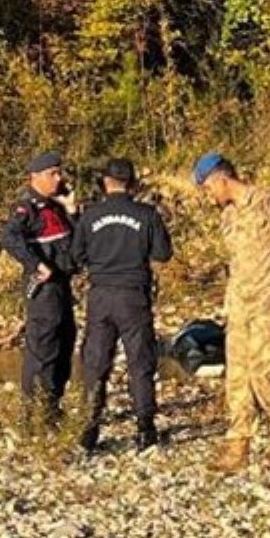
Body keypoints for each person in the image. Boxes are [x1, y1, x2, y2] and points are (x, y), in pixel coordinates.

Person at [194, 152, 270, 473]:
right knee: (238, 375)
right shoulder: (228, 216)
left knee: (263, 372)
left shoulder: (269, 203)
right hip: (240, 305)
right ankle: (238, 442)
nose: (209, 196)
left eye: (207, 188)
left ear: (221, 179)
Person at [72, 158, 174, 454]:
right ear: (132, 183)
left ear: (105, 182)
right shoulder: (147, 214)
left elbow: (76, 257)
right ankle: (145, 430)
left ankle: (89, 431)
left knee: (95, 363)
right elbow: (163, 254)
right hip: (134, 295)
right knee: (140, 363)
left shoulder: (90, 216)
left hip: (101, 295)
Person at [0, 151, 78, 426]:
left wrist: (72, 210)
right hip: (44, 291)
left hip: (63, 286)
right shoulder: (28, 208)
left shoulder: (57, 206)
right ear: (35, 177)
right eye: (52, 174)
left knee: (65, 343)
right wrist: (36, 265)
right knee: (43, 349)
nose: (58, 178)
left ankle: (52, 406)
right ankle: (35, 414)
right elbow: (8, 237)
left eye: (59, 172)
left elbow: (77, 244)